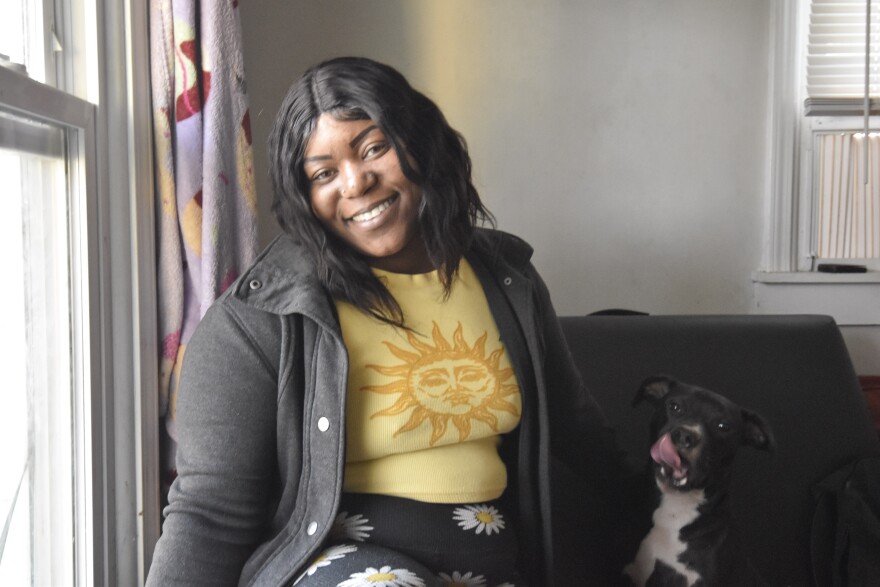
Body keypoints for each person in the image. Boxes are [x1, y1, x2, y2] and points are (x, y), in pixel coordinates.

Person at [146, 56, 625, 587]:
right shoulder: (259, 320)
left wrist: (670, 519)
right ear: (305, 197)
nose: (356, 183)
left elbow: (580, 431)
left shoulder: (508, 280)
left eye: (374, 147)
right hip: (345, 566)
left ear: (420, 142)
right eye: (323, 174)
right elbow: (209, 515)